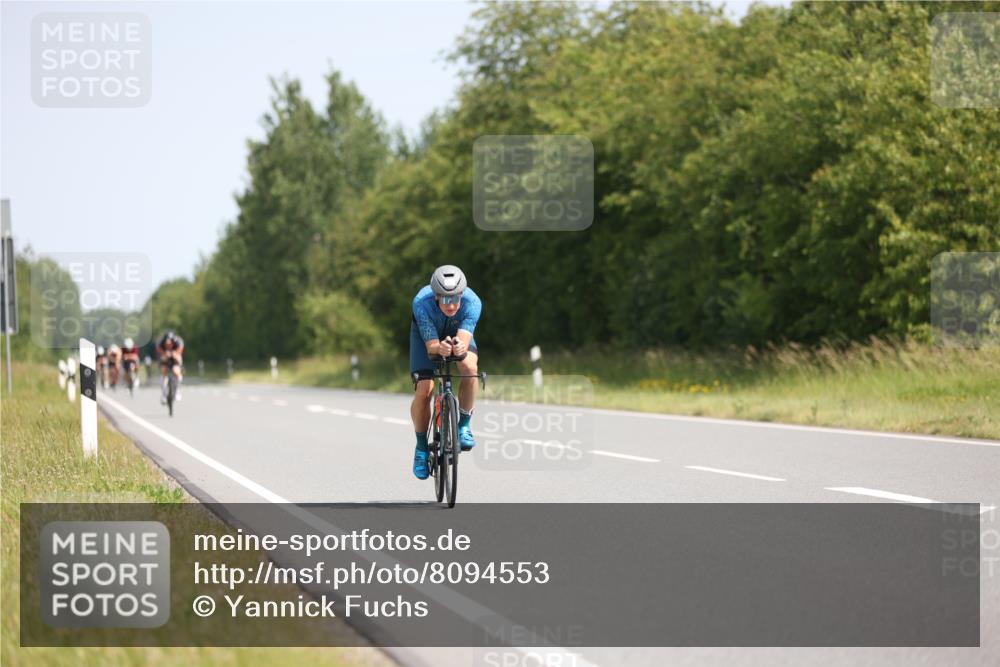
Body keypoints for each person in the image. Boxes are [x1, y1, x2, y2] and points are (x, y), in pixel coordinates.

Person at [409, 265, 482, 479]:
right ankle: (421, 448)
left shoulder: (473, 302)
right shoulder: (421, 303)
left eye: (456, 299)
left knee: (469, 367)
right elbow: (431, 346)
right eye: (445, 299)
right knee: (425, 388)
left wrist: (459, 346)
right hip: (426, 337)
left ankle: (464, 426)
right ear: (435, 297)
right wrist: (437, 348)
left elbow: (465, 339)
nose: (451, 305)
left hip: (456, 331)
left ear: (462, 294)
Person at [156, 330, 185, 404]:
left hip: (175, 358)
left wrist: (173, 354)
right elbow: (161, 356)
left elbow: (178, 355)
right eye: (167, 344)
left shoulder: (179, 342)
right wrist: (165, 355)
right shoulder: (160, 343)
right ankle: (164, 394)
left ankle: (176, 391)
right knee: (164, 370)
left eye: (170, 343)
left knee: (176, 371)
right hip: (164, 358)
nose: (168, 345)